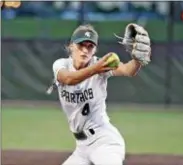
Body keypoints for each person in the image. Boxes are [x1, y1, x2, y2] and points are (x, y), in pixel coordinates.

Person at [49, 23, 151, 165]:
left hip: (104, 142)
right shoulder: (61, 64)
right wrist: (96, 69)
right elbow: (68, 79)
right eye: (81, 45)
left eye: (90, 46)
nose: (85, 50)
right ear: (71, 46)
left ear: (95, 49)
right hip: (81, 148)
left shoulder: (101, 64)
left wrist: (138, 60)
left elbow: (128, 70)